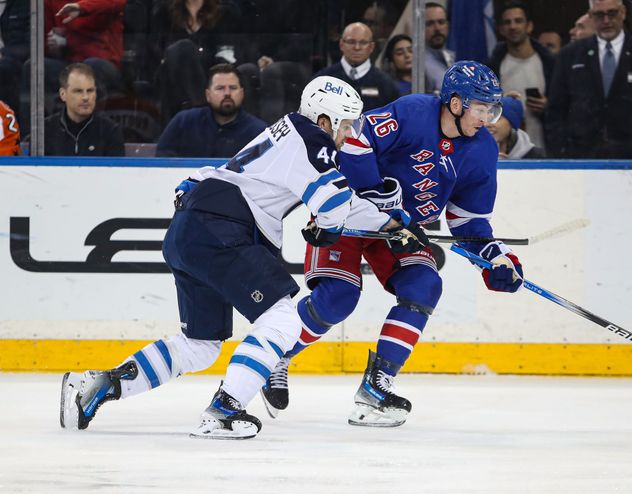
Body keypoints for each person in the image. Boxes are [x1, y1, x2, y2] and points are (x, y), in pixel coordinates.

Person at [59, 75, 427, 440]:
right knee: (283, 321)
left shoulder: (286, 131)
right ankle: (223, 411)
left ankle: (96, 386)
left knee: (200, 346)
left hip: (194, 229)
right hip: (223, 230)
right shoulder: (313, 140)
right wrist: (336, 226)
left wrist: (393, 223)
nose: (350, 133)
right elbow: (332, 204)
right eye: (345, 124)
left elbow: (334, 201)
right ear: (324, 120)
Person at [261, 61, 525, 428]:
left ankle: (377, 385)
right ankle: (275, 357)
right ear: (454, 102)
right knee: (337, 298)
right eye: (481, 107)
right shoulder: (413, 112)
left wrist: (496, 258)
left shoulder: (482, 150)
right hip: (348, 212)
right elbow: (354, 141)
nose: (488, 118)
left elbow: (469, 220)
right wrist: (377, 198)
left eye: (491, 109)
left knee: (425, 285)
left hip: (399, 232)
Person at [546, 0, 632, 159]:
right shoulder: (570, 55)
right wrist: (563, 152)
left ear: (623, 12)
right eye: (600, 15)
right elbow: (556, 111)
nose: (606, 21)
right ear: (591, 15)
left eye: (612, 13)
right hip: (582, 159)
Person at [149, 0, 245, 124]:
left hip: (210, 81)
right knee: (182, 48)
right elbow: (154, 53)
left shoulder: (225, 13)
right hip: (170, 83)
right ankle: (201, 118)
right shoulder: (163, 13)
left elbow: (227, 54)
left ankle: (199, 117)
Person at [487, 1, 555, 152]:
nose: (513, 26)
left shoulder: (550, 64)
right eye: (507, 22)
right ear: (500, 29)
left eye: (518, 21)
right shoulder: (492, 68)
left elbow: (565, 107)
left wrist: (548, 106)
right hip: (505, 152)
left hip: (545, 148)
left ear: (529, 26)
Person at [157, 64, 266, 158]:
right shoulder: (183, 121)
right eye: (220, 88)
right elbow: (162, 161)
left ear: (242, 93)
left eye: (233, 88)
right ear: (208, 95)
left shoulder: (258, 132)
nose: (227, 93)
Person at [315, 22, 399, 111]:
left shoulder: (386, 84)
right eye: (351, 42)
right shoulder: (322, 80)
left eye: (363, 42)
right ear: (341, 44)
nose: (357, 47)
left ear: (371, 47)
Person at [44, 63, 124, 156]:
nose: (86, 97)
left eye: (90, 91)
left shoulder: (110, 131)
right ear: (63, 94)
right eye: (78, 91)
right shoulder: (45, 130)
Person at [424, 2, 455, 93]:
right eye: (429, 24)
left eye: (441, 22)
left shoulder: (453, 58)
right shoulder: (417, 64)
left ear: (447, 26)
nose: (437, 28)